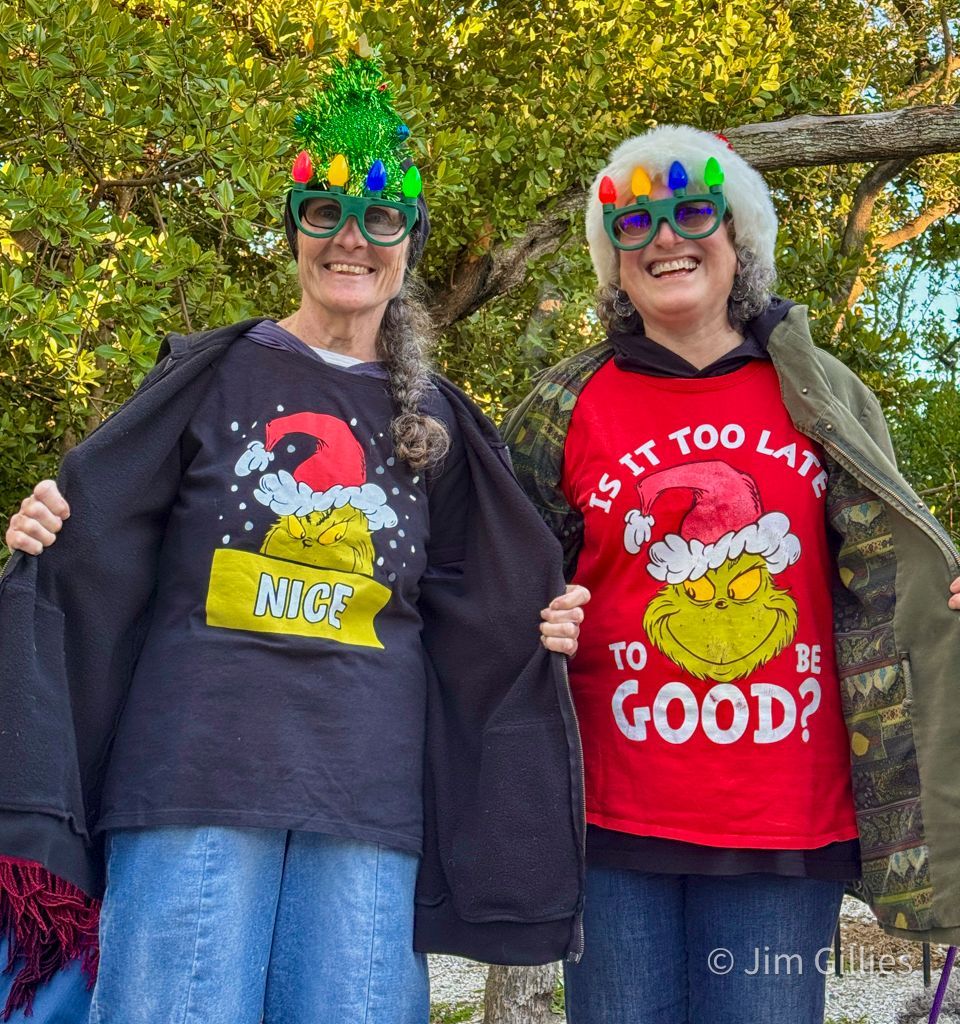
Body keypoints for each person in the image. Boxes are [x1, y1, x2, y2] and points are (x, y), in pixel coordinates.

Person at [0, 54, 589, 1024]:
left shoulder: (438, 421)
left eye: (380, 217)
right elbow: (100, 537)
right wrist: (44, 530)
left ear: (408, 240)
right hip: (188, 789)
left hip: (367, 809)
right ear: (294, 230)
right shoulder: (210, 374)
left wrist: (547, 619)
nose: (350, 238)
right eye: (324, 212)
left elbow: (483, 602)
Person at [501, 124, 960, 1023]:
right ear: (613, 259)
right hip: (610, 824)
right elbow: (493, 575)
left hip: (786, 827)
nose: (665, 239)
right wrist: (532, 616)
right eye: (634, 224)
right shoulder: (563, 404)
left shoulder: (822, 393)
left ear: (739, 236)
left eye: (694, 213)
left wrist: (942, 589)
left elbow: (889, 564)